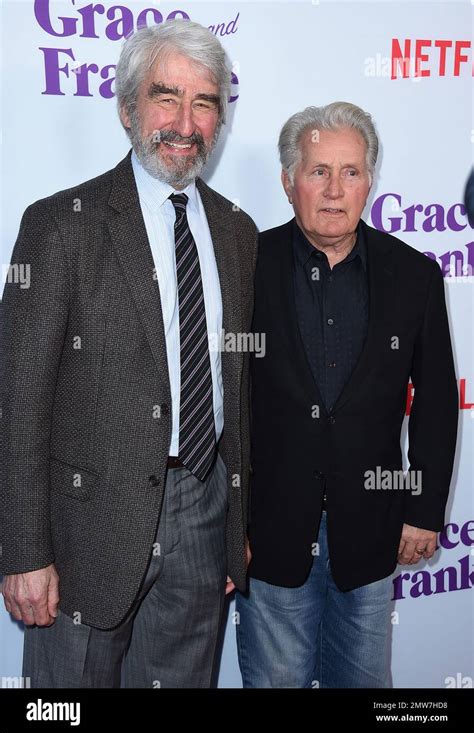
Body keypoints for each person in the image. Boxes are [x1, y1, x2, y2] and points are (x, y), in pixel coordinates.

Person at [0, 19, 257, 688]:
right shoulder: (60, 226)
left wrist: (236, 531)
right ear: (126, 108)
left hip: (203, 519)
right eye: (165, 96)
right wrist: (24, 551)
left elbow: (240, 390)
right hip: (86, 532)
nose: (184, 119)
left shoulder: (236, 232)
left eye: (205, 102)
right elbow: (18, 400)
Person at [235, 102, 458, 688]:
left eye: (351, 172)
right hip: (270, 535)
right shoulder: (245, 267)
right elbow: (223, 405)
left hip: (373, 532)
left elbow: (436, 401)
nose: (335, 190)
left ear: (370, 181)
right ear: (288, 182)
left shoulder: (414, 275)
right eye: (317, 171)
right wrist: (229, 524)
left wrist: (424, 508)